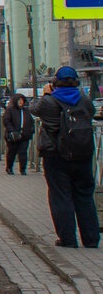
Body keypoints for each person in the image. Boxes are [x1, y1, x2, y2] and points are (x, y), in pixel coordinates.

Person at [33, 65, 99, 249]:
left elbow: (34, 109)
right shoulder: (84, 100)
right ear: (76, 82)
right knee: (85, 196)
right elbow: (92, 113)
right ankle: (91, 239)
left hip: (56, 156)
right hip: (83, 154)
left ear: (55, 83)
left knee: (61, 196)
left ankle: (68, 239)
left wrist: (46, 94)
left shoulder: (49, 101)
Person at [2, 93, 35, 175]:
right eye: (19, 100)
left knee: (23, 152)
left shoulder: (26, 111)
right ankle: (9, 168)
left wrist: (31, 130)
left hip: (24, 135)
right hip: (13, 136)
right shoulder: (10, 110)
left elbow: (31, 121)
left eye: (22, 100)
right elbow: (6, 121)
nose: (21, 102)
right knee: (12, 152)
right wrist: (12, 131)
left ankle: (23, 169)